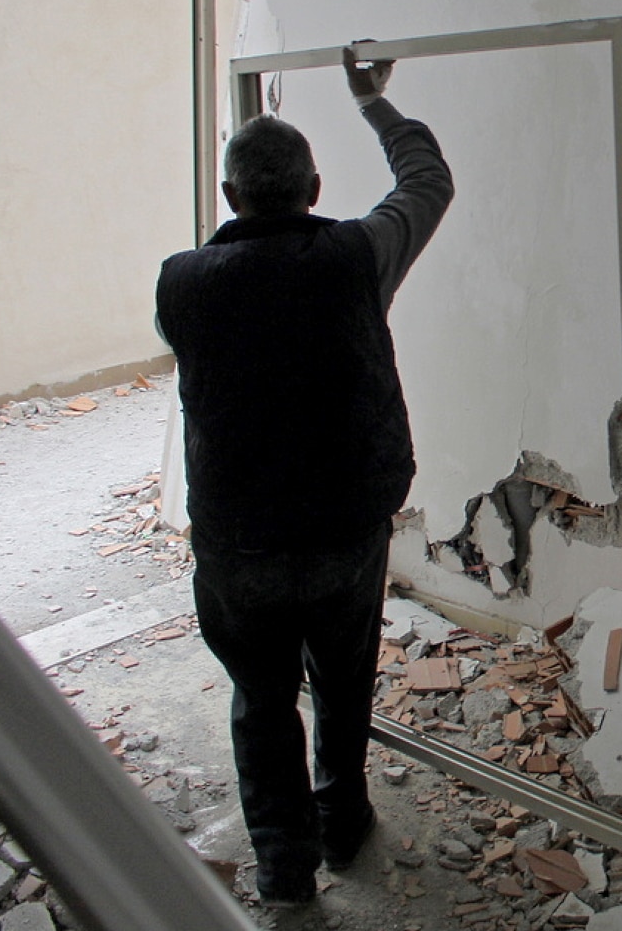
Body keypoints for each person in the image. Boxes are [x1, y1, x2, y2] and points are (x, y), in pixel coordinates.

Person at [155, 46, 454, 909]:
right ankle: (343, 818)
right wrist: (375, 104)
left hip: (239, 538)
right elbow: (428, 183)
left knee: (260, 696)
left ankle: (284, 866)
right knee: (344, 676)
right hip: (342, 528)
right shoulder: (359, 255)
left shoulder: (182, 283)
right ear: (315, 188)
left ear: (229, 197)